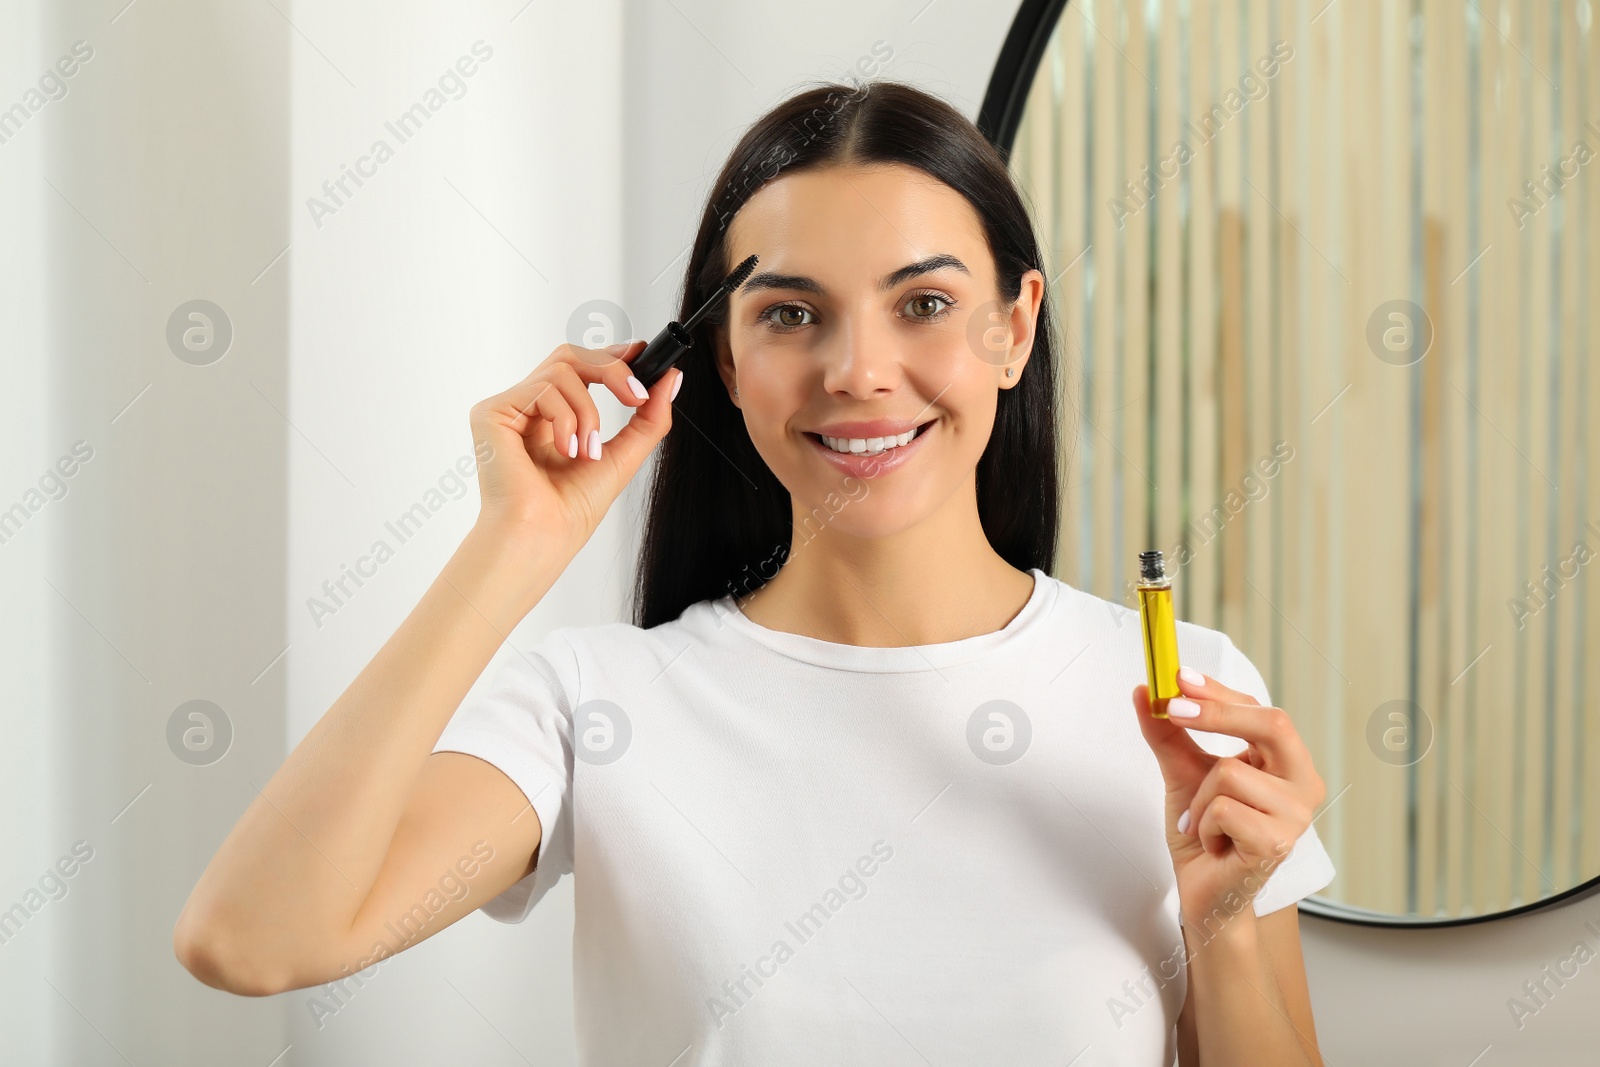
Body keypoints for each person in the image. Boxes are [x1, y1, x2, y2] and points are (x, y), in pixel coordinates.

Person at [174, 78, 1334, 1066]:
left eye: (923, 302)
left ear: (1013, 327)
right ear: (723, 357)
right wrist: (511, 543)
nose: (859, 371)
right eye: (791, 314)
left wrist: (1223, 917)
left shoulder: (1182, 695)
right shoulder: (595, 705)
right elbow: (254, 939)